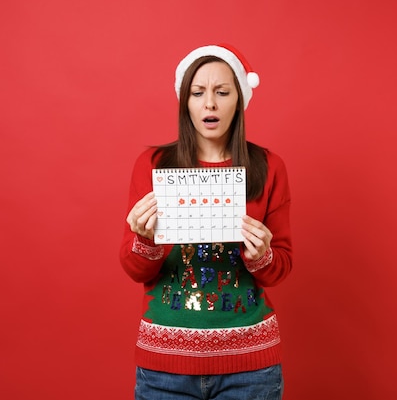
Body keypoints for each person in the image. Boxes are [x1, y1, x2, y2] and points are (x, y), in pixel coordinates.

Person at [119, 44, 293, 400]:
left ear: (239, 100)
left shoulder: (269, 167)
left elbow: (281, 268)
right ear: (185, 102)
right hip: (164, 368)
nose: (209, 103)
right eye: (198, 93)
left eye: (222, 92)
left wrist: (262, 254)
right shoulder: (152, 165)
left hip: (250, 368)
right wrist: (145, 239)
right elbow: (135, 269)